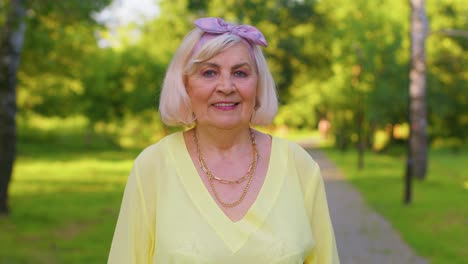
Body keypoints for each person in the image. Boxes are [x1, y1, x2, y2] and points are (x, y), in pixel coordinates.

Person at [108, 17, 339, 264]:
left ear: (258, 84)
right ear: (184, 84)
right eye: (209, 72)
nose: (226, 86)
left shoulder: (299, 165)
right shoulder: (152, 166)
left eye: (240, 73)